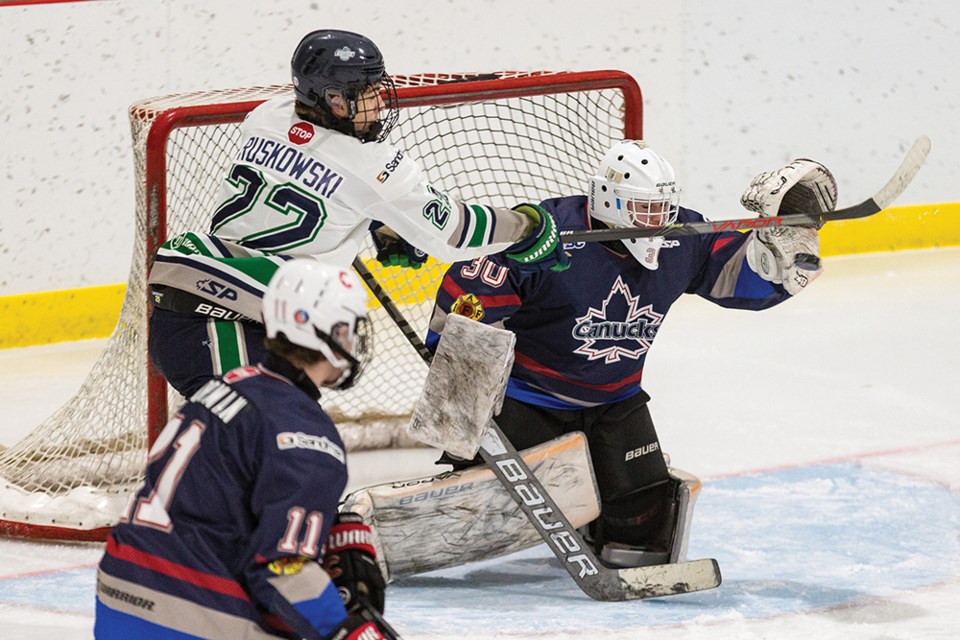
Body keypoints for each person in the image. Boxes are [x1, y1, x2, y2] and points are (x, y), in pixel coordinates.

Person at [426, 139, 837, 567]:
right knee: (491, 502)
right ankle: (469, 467)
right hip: (528, 400)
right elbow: (466, 303)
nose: (658, 223)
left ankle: (599, 512)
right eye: (645, 209)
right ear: (609, 201)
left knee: (640, 521)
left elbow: (739, 278)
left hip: (616, 402)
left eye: (665, 209)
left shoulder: (682, 239)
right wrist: (464, 418)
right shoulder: (549, 235)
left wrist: (782, 251)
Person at [147, 29, 567, 399]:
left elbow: (311, 183)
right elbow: (455, 234)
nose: (379, 104)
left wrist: (378, 220)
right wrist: (527, 226)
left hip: (201, 296)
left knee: (262, 442)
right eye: (366, 94)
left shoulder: (267, 117)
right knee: (273, 445)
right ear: (334, 100)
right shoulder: (374, 168)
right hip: (231, 323)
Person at [96, 260, 393, 639]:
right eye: (351, 331)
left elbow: (220, 504)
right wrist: (347, 630)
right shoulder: (309, 436)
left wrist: (329, 526)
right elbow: (283, 570)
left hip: (117, 596)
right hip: (186, 619)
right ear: (331, 334)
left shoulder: (224, 386)